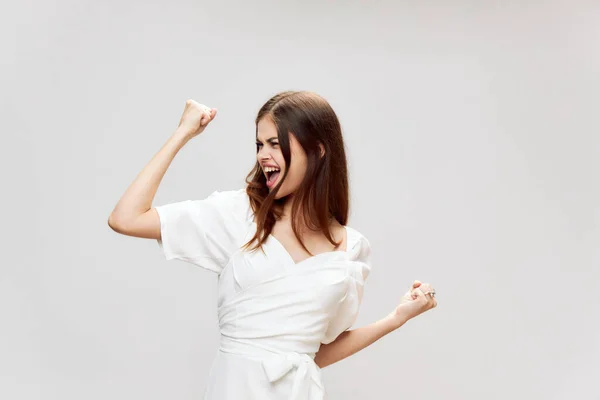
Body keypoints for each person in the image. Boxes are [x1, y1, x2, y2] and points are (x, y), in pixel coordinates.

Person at [108, 91, 437, 399]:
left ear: (318, 150)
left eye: (274, 144)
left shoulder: (351, 250)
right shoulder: (238, 215)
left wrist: (396, 318)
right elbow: (126, 218)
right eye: (259, 144)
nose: (263, 155)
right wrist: (183, 134)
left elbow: (313, 353)